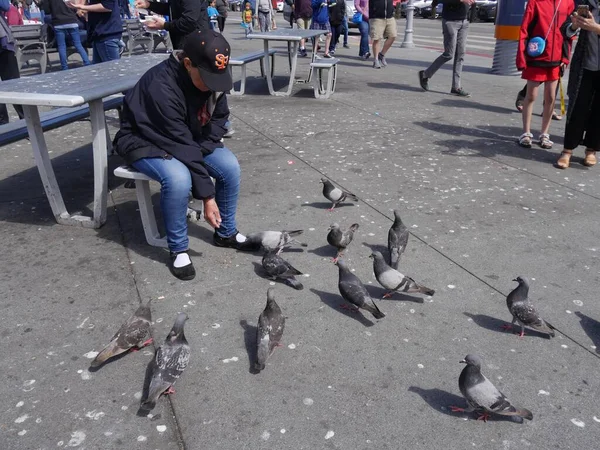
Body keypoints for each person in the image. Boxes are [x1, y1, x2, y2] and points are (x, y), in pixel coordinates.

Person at [114, 31, 252, 280]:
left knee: (229, 166)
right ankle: (178, 249)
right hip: (145, 139)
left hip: (188, 137)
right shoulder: (161, 86)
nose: (213, 85)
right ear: (187, 64)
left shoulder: (213, 77)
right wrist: (207, 197)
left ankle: (225, 233)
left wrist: (206, 143)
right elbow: (178, 143)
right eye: (208, 78)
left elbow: (220, 118)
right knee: (178, 178)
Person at [515, 0, 574, 149]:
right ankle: (526, 132)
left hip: (556, 59)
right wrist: (522, 58)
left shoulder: (567, 3)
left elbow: (569, 34)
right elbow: (524, 30)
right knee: (531, 95)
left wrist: (565, 58)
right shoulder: (535, 2)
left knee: (551, 97)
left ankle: (544, 133)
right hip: (536, 56)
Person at [556, 1, 600, 169]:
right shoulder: (583, 2)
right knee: (577, 108)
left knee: (598, 111)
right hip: (584, 65)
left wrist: (596, 28)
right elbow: (564, 29)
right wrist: (573, 26)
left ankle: (591, 150)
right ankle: (567, 150)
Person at [418, 0, 475, 96]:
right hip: (450, 21)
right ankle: (425, 75)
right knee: (449, 54)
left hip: (464, 22)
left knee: (460, 54)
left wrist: (472, 15)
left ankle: (456, 87)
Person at [134, 0, 209, 50]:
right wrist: (149, 5)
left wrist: (164, 25)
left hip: (195, 44)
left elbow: (188, 21)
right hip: (182, 42)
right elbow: (171, 8)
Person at [43, 0, 91, 70]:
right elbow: (75, 6)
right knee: (78, 44)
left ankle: (64, 67)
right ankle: (87, 63)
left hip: (58, 22)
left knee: (62, 46)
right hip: (72, 21)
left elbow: (47, 11)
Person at [0, 0, 24, 125]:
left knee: (14, 83)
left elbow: (5, 6)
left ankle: (26, 120)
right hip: (3, 41)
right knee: (14, 82)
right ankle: (3, 123)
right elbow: (5, 5)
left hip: (2, 43)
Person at [368, 0, 395, 68]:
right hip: (377, 17)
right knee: (377, 39)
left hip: (389, 17)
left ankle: (381, 55)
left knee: (392, 36)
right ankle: (376, 60)